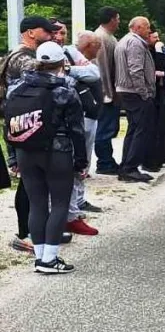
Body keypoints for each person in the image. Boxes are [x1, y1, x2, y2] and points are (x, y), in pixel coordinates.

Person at [4, 41, 88, 274]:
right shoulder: (66, 89)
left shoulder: (16, 88)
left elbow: (10, 124)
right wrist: (81, 162)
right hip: (57, 152)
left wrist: (13, 158)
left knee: (37, 204)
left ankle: (39, 256)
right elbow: (76, 130)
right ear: (62, 62)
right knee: (60, 203)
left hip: (25, 151)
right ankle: (50, 259)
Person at [2, 16, 60, 255]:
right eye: (45, 30)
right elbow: (48, 80)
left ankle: (34, 231)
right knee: (29, 182)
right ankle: (24, 234)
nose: (51, 34)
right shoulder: (23, 58)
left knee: (31, 181)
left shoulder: (18, 54)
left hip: (20, 123)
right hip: (23, 124)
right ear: (30, 32)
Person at [55, 25, 103, 237]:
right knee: (66, 165)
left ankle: (75, 208)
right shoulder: (42, 53)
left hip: (83, 113)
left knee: (80, 161)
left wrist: (70, 70)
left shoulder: (70, 53)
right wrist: (69, 75)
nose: (60, 36)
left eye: (63, 32)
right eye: (56, 32)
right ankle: (64, 216)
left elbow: (94, 73)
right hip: (60, 117)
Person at [114, 17, 157, 183]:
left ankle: (126, 165)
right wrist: (144, 93)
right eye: (147, 27)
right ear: (138, 27)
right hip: (135, 92)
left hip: (126, 91)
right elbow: (136, 69)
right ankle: (130, 168)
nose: (149, 30)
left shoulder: (124, 40)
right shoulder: (135, 43)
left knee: (133, 129)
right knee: (140, 130)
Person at [93, 7, 122, 175]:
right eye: (117, 18)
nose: (119, 22)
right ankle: (104, 163)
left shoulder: (108, 37)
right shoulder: (101, 37)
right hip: (106, 94)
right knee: (104, 128)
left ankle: (107, 160)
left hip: (109, 91)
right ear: (112, 19)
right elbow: (102, 66)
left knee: (109, 127)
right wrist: (107, 93)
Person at [144, 29, 165, 173]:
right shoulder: (147, 52)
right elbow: (153, 69)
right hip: (152, 92)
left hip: (161, 92)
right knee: (152, 125)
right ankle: (151, 160)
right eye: (154, 37)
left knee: (162, 125)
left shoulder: (159, 51)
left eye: (158, 37)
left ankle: (162, 156)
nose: (157, 40)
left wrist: (161, 72)